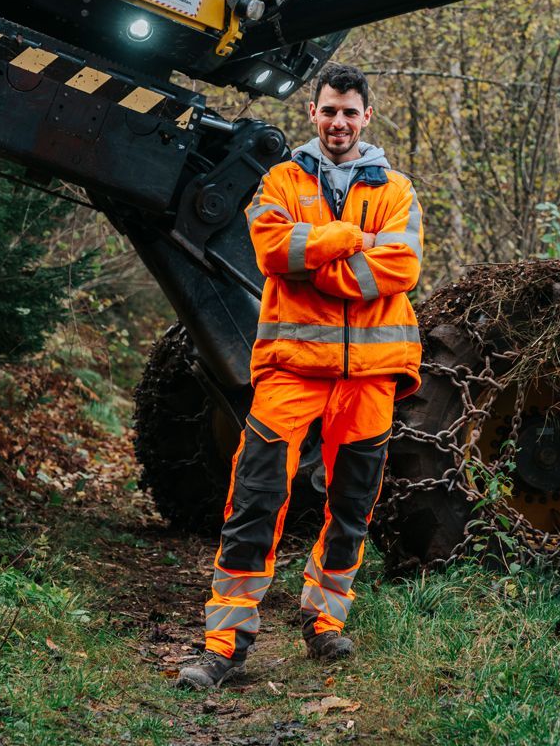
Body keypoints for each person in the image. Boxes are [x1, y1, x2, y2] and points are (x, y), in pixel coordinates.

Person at [178, 62, 423, 690]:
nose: (338, 122)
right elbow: (271, 251)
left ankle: (325, 619)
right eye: (328, 110)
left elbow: (401, 267)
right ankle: (225, 641)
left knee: (351, 507)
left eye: (350, 111)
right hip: (290, 372)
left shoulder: (397, 191)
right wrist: (347, 236)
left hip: (371, 374)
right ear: (311, 114)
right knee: (256, 497)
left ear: (367, 117)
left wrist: (320, 266)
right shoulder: (279, 181)